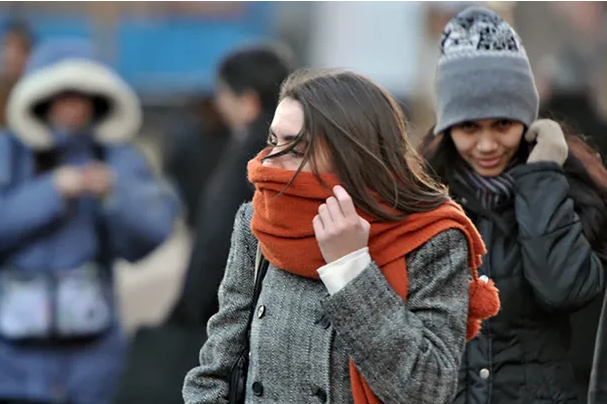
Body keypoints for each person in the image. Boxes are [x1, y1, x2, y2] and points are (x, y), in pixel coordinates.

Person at [182, 68, 500, 403]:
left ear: (352, 153)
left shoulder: (431, 238)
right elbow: (217, 368)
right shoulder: (258, 221)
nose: (269, 164)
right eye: (273, 140)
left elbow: (427, 389)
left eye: (295, 148)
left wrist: (351, 269)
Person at [419, 6, 607, 403]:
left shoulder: (572, 192)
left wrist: (541, 178)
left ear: (526, 119)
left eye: (502, 124)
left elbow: (565, 289)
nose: (486, 145)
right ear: (447, 127)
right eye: (469, 127)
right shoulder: (420, 200)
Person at [0, 39, 180, 404]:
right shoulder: (9, 152)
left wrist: (113, 194)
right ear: (40, 99)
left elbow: (151, 234)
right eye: (62, 95)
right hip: (13, 365)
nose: (73, 107)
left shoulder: (118, 158)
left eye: (83, 96)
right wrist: (53, 191)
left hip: (94, 366)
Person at [168, 44, 293, 328]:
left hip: (230, 320)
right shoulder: (294, 154)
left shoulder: (251, 160)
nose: (219, 103)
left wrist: (189, 314)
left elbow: (216, 245)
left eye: (222, 93)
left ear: (248, 102)